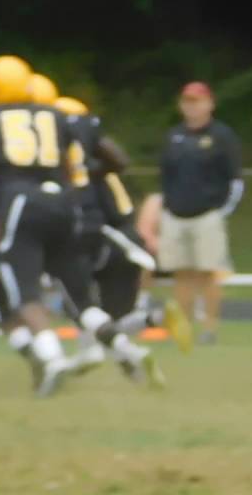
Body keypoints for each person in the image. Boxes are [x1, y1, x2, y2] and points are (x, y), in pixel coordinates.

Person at [0, 56, 161, 397]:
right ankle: (125, 348)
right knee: (79, 295)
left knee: (20, 291)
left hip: (19, 206)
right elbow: (75, 164)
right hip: (64, 204)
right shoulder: (59, 116)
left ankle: (50, 358)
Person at [55, 95, 189, 362]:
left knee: (82, 306)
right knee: (113, 319)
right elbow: (119, 161)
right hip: (128, 239)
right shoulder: (99, 164)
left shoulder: (74, 171)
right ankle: (154, 318)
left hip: (104, 239)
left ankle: (88, 356)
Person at [158, 81, 242, 345]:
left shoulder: (222, 136)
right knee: (181, 273)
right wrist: (166, 206)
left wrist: (221, 211)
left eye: (196, 101)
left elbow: (235, 179)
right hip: (175, 215)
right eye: (187, 101)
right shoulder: (173, 136)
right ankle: (184, 328)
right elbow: (165, 176)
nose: (191, 107)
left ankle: (210, 327)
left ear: (210, 104)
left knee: (209, 273)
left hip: (207, 215)